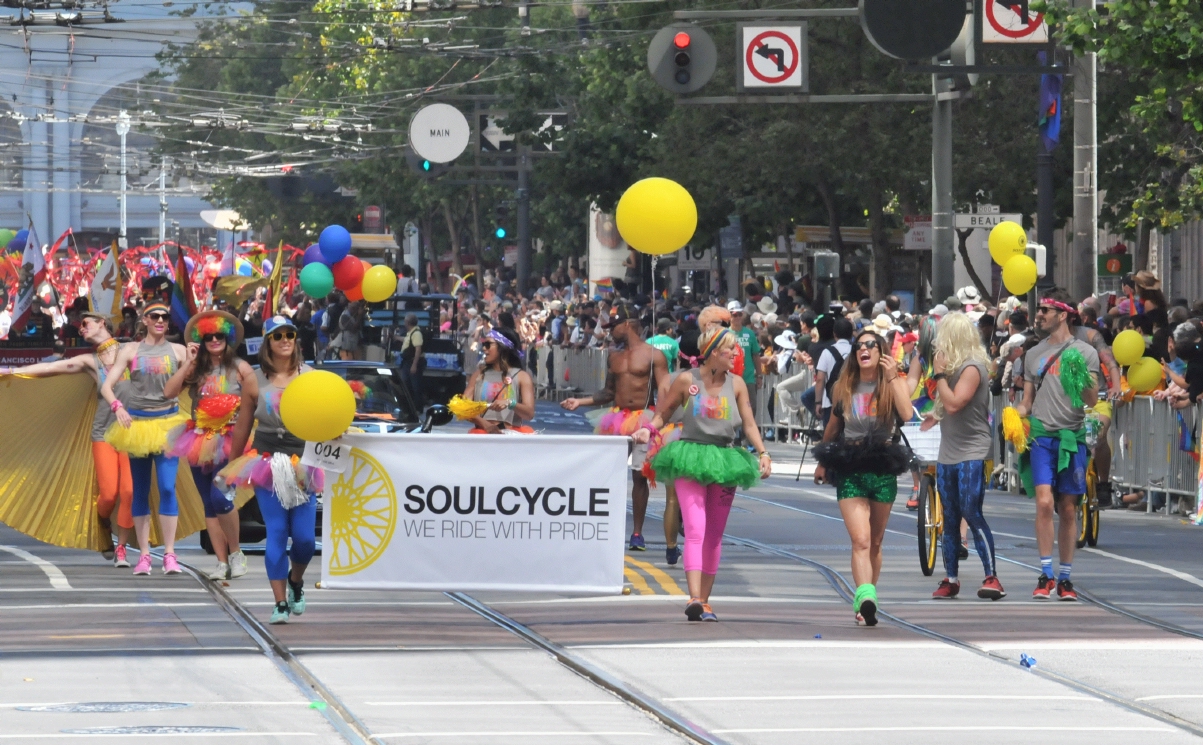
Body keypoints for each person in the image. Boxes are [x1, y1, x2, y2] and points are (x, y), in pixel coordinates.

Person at [635, 327, 771, 621]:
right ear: (712, 351)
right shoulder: (686, 380)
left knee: (714, 534)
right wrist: (648, 428)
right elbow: (664, 412)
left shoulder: (736, 385)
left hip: (725, 461)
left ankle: (706, 600)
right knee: (695, 528)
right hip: (690, 457)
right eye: (730, 349)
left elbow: (748, 423)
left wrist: (763, 453)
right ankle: (694, 597)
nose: (736, 354)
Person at [4, 311, 135, 564]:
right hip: (104, 433)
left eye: (85, 324)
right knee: (108, 495)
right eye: (79, 326)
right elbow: (50, 367)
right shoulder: (90, 361)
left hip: (135, 433)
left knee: (129, 491)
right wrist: (9, 370)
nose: (81, 329)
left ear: (102, 323)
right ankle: (104, 523)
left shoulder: (132, 351)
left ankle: (122, 549)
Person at [218, 316, 324, 624]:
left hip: (303, 464)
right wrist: (232, 467)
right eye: (278, 336)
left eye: (290, 334)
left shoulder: (311, 376)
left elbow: (325, 416)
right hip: (267, 463)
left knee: (304, 539)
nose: (285, 340)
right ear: (268, 342)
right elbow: (242, 425)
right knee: (277, 532)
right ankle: (279, 602)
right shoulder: (254, 379)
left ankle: (296, 581)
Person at [813, 329, 913, 626]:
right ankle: (865, 598)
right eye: (859, 345)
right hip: (850, 464)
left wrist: (894, 376)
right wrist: (821, 461)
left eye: (871, 345)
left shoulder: (893, 384)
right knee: (861, 540)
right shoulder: (844, 387)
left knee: (877, 541)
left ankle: (867, 596)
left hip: (883, 463)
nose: (864, 349)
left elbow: (906, 414)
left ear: (881, 352)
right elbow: (834, 425)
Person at [561, 304, 669, 551]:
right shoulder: (614, 356)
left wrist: (661, 420)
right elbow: (608, 392)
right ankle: (607, 527)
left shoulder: (655, 356)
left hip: (643, 420)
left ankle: (637, 533)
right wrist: (581, 401)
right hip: (616, 419)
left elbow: (665, 391)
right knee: (608, 475)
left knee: (639, 476)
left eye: (613, 327)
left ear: (628, 325)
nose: (609, 332)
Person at [1015, 291, 1100, 601]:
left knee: (1067, 508)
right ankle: (1045, 574)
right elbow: (1027, 402)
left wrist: (1081, 378)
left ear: (1063, 315)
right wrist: (1013, 417)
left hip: (1073, 436)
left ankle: (1065, 578)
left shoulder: (1085, 352)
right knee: (1044, 503)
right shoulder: (1033, 354)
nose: (1040, 315)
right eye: (1040, 310)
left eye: (1046, 310)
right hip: (1041, 435)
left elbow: (1091, 401)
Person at [163, 310, 257, 581]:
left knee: (221, 497)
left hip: (230, 440)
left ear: (227, 339)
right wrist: (188, 363)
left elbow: (255, 401)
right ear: (201, 341)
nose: (214, 340)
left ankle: (236, 552)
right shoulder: (196, 369)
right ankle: (221, 562)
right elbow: (168, 392)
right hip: (198, 439)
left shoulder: (241, 368)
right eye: (208, 337)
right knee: (209, 504)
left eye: (219, 336)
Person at [99, 303, 190, 576]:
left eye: (165, 316)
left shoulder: (179, 351)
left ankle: (170, 554)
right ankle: (145, 556)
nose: (161, 320)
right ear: (145, 320)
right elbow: (107, 385)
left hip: (168, 424)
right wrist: (118, 407)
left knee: (167, 487)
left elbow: (196, 380)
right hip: (138, 425)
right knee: (139, 490)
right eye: (155, 316)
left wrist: (196, 360)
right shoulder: (131, 350)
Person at [924, 313, 1005, 600]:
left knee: (971, 511)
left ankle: (992, 576)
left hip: (972, 450)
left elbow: (957, 402)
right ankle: (951, 578)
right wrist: (935, 415)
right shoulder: (955, 369)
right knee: (950, 515)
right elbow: (947, 405)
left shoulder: (972, 367)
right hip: (949, 450)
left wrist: (940, 375)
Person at [462, 327, 535, 433]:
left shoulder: (522, 376)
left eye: (488, 345)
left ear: (503, 347)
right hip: (482, 434)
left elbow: (529, 414)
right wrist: (485, 425)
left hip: (510, 437)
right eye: (483, 344)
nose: (484, 349)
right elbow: (463, 407)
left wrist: (510, 403)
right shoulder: (478, 375)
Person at [729, 302, 762, 420]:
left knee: (751, 408)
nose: (737, 317)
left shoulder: (750, 333)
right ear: (729, 316)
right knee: (732, 409)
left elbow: (755, 355)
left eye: (740, 314)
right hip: (730, 378)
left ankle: (746, 436)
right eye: (734, 314)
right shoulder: (725, 334)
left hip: (748, 378)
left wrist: (759, 376)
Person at [399, 312, 425, 408]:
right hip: (407, 362)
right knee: (406, 384)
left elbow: (418, 349)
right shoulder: (411, 333)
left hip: (412, 362)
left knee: (415, 386)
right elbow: (406, 340)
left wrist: (414, 364)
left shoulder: (416, 333)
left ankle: (418, 407)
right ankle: (408, 406)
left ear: (408, 322)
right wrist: (396, 338)